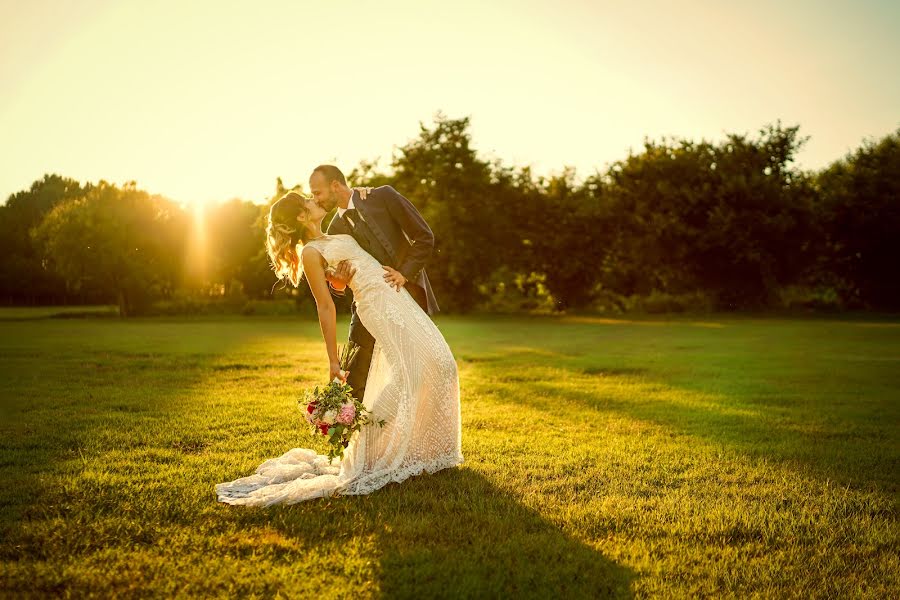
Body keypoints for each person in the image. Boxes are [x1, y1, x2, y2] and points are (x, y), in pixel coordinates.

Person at [215, 184, 462, 506]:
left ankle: (429, 451)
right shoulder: (310, 253)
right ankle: (368, 455)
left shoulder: (335, 235)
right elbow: (326, 306)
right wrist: (333, 360)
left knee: (441, 363)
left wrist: (363, 194)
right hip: (377, 306)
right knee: (409, 374)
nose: (314, 199)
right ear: (301, 217)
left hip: (397, 296)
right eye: (308, 200)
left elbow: (360, 244)